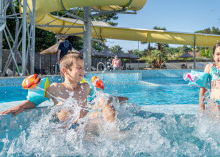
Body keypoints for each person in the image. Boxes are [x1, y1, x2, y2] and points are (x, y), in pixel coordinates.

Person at [0, 53, 128, 125]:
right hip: (68, 129)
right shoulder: (56, 88)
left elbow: (99, 100)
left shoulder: (85, 86)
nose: (83, 70)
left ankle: (115, 134)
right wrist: (21, 107)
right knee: (66, 110)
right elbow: (37, 99)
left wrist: (118, 99)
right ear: (65, 71)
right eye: (79, 67)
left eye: (83, 67)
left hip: (87, 126)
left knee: (105, 99)